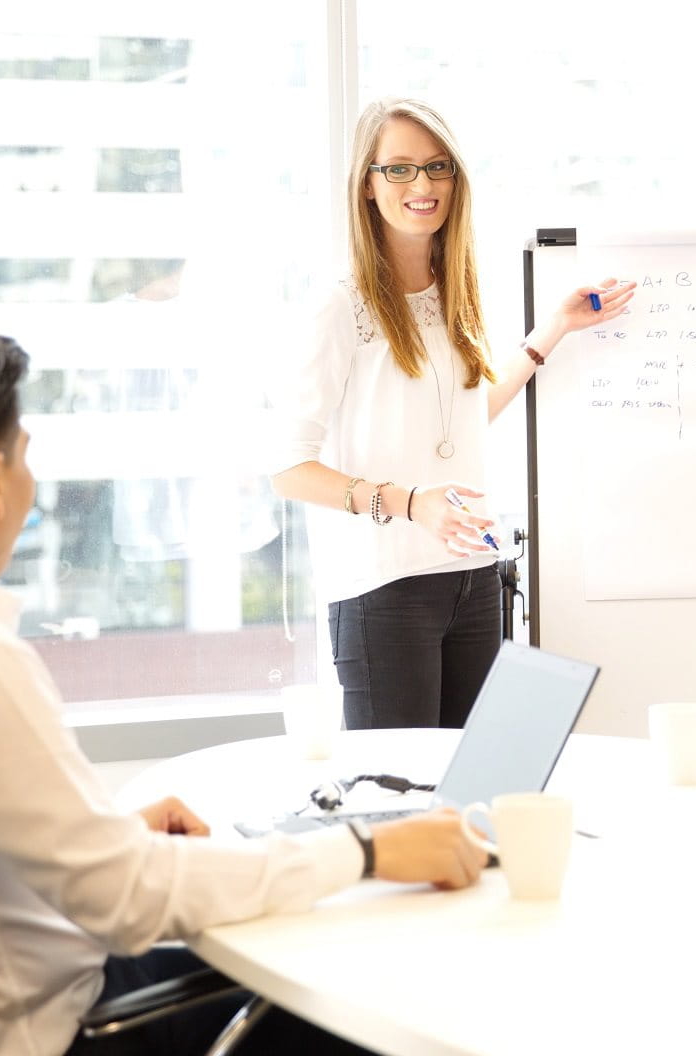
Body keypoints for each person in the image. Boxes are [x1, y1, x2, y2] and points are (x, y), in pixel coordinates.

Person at [0, 323, 489, 1056]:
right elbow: (130, 902)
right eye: (24, 458)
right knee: (381, 994)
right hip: (66, 1030)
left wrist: (101, 831)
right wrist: (366, 849)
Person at [271, 97, 635, 731]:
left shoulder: (456, 294)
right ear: (367, 185)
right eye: (401, 169)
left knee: (472, 791)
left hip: (471, 576)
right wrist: (413, 503)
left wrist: (551, 331)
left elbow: (464, 415)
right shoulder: (340, 306)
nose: (423, 185)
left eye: (438, 167)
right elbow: (286, 468)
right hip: (384, 589)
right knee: (401, 801)